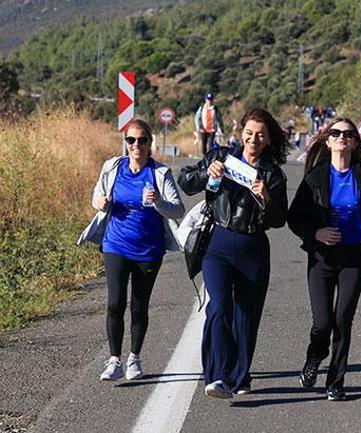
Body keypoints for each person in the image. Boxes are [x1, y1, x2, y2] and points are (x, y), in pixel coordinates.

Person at [178, 108, 290, 399]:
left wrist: (266, 197)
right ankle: (216, 376)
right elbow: (185, 181)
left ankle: (240, 376)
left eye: (260, 135)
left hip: (253, 247)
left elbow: (280, 220)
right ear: (241, 133)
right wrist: (207, 173)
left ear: (268, 140)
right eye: (250, 133)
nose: (254, 139)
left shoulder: (273, 174)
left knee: (246, 316)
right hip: (219, 242)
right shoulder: (221, 156)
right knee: (219, 307)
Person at [288, 118, 361, 401]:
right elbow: (295, 218)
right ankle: (315, 355)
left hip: (354, 257)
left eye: (348, 133)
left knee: (342, 320)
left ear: (355, 141)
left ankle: (335, 381)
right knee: (322, 323)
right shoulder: (316, 177)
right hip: (322, 258)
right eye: (336, 133)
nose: (342, 137)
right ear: (327, 140)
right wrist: (316, 232)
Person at [78, 118, 185, 381]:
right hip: (115, 244)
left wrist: (159, 202)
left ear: (150, 143)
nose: (136, 145)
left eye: (142, 140)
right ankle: (114, 360)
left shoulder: (160, 174)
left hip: (148, 250)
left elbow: (178, 209)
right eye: (131, 140)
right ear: (125, 143)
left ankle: (134, 358)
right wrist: (100, 202)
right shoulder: (112, 167)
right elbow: (96, 195)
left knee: (139, 306)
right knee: (115, 303)